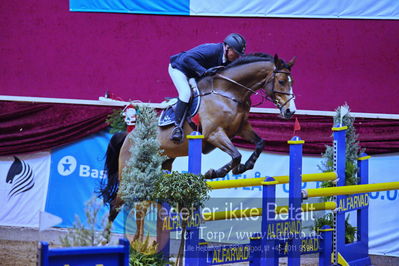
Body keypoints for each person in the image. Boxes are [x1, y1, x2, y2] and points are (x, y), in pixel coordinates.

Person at [168, 33, 246, 143]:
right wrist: (203, 71)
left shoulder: (228, 59)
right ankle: (177, 128)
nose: (237, 57)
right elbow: (187, 58)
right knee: (186, 94)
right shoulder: (212, 50)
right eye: (236, 53)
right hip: (180, 69)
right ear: (227, 47)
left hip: (194, 74)